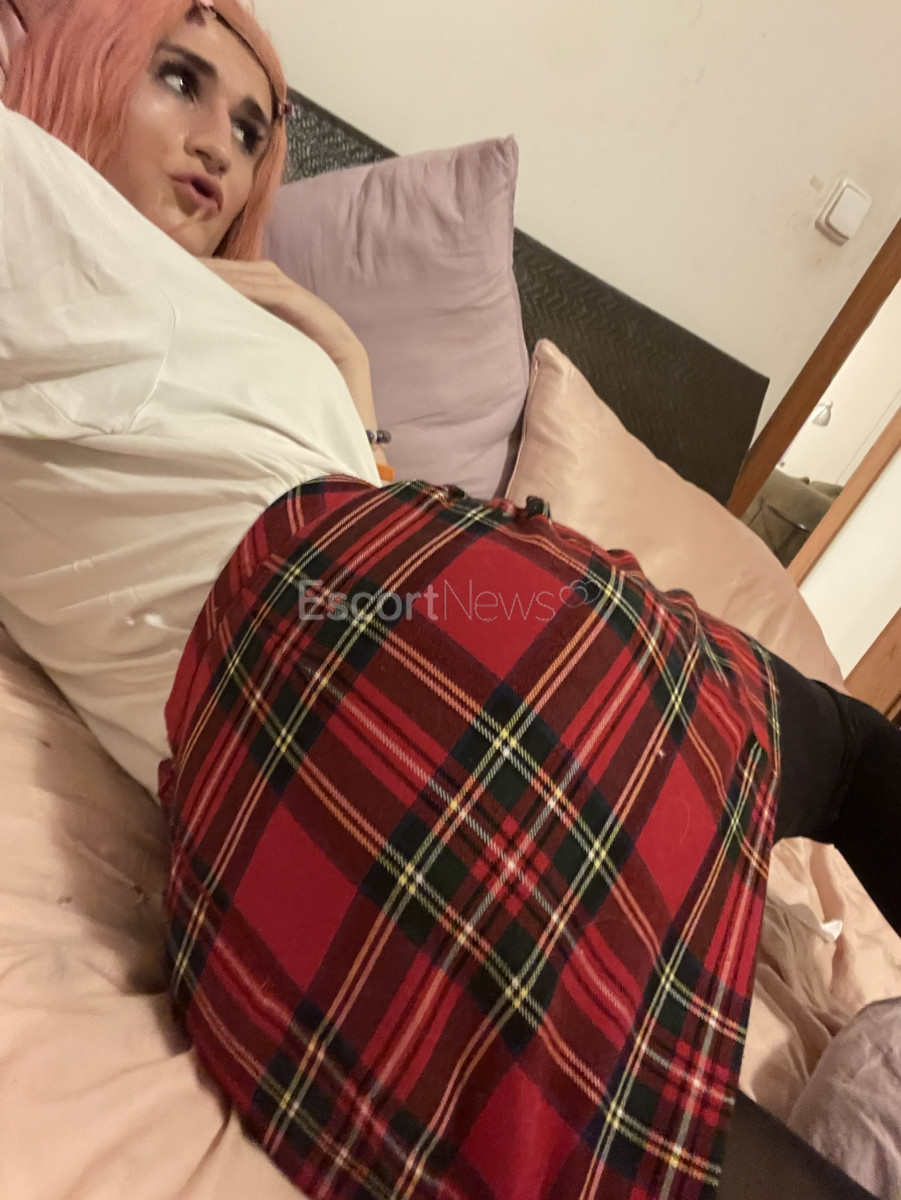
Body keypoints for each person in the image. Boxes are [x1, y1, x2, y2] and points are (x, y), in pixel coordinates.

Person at [1, 3, 897, 1197]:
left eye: (254, 130)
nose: (221, 144)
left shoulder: (241, 316)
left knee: (835, 764)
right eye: (177, 79)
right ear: (82, 57)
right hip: (349, 670)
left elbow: (360, 506)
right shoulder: (34, 194)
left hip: (443, 622)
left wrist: (347, 362)